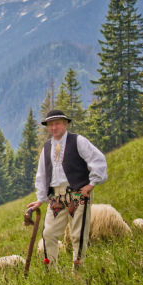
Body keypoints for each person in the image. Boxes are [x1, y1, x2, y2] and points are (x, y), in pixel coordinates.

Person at [25, 109, 107, 268]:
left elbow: (98, 160)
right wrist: (41, 199)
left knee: (78, 234)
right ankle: (51, 270)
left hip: (77, 194)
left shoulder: (78, 141)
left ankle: (78, 269)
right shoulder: (47, 147)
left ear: (65, 124)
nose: (53, 128)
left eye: (57, 123)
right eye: (50, 124)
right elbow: (42, 174)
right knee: (48, 234)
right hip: (56, 197)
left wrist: (91, 184)